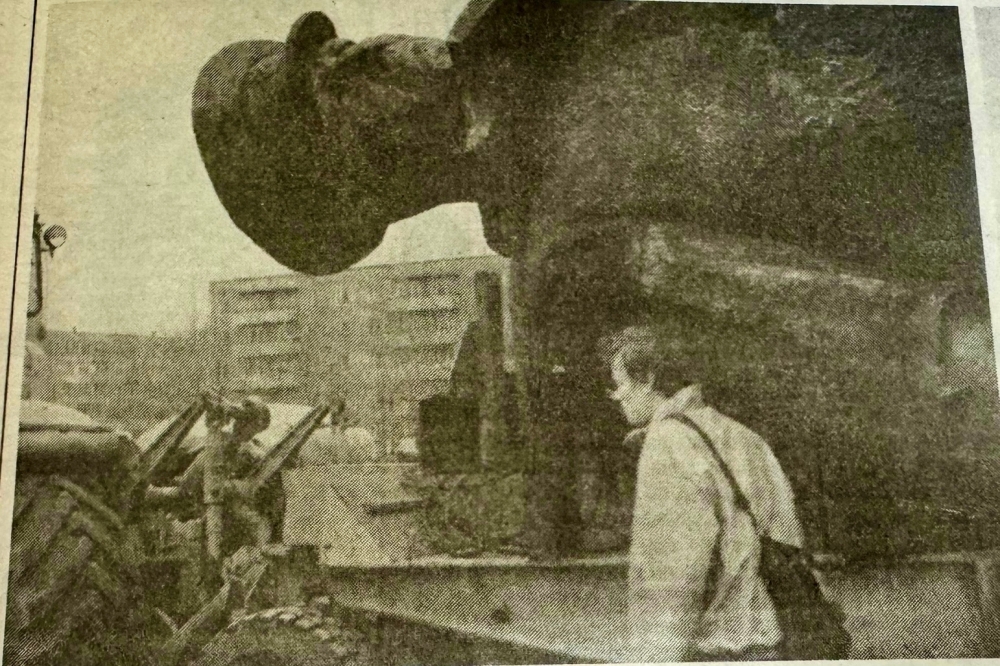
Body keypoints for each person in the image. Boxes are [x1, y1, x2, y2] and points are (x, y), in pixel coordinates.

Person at [604, 326, 804, 663]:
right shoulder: (742, 435)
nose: (616, 397)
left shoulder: (667, 440)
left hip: (719, 641)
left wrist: (655, 655)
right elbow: (789, 533)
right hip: (774, 631)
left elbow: (673, 567)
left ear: (649, 379)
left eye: (620, 384)